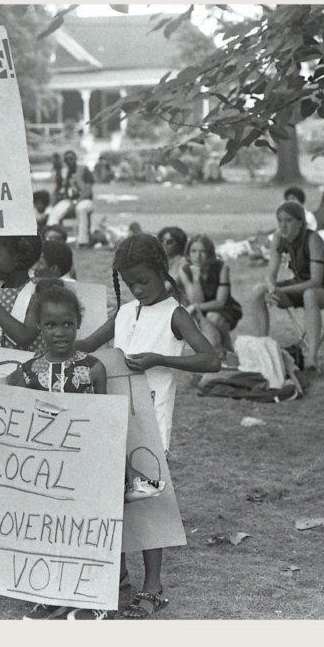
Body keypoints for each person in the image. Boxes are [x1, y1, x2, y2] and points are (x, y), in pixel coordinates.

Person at [75, 234, 220, 619]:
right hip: (113, 417)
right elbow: (87, 345)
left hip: (152, 422)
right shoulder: (125, 313)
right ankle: (117, 572)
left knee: (147, 502)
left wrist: (161, 359)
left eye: (144, 281)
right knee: (111, 494)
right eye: (130, 283)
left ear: (162, 271)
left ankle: (152, 584)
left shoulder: (175, 314)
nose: (138, 290)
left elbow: (211, 360)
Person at [3, 284, 107, 620]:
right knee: (49, 528)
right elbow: (4, 408)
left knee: (88, 528)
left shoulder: (93, 368)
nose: (59, 332)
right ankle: (51, 592)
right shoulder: (28, 372)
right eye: (50, 325)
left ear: (78, 323)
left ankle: (94, 596)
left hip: (86, 466)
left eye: (67, 324)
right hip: (45, 472)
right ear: (38, 326)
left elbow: (107, 420)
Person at [247, 201, 324, 375]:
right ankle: (262, 350)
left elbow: (315, 280)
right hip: (298, 285)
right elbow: (270, 275)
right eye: (280, 220)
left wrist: (280, 291)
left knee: (310, 294)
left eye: (289, 221)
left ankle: (312, 359)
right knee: (257, 291)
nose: (283, 225)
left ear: (300, 222)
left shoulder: (313, 239)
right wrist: (271, 289)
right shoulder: (278, 238)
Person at [179, 234, 243, 358]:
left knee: (213, 318)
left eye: (202, 251)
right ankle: (220, 351)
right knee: (212, 343)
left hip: (224, 310)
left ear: (209, 254)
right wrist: (196, 278)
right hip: (200, 312)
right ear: (188, 253)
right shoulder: (185, 270)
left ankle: (227, 344)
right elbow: (196, 299)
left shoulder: (221, 267)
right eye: (193, 251)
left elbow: (220, 302)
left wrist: (195, 307)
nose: (197, 256)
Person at [46, 151, 95, 247]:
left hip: (84, 200)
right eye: (67, 159)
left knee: (81, 209)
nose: (69, 161)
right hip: (68, 200)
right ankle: (51, 239)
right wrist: (52, 205)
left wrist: (76, 202)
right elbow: (57, 189)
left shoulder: (84, 170)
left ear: (76, 158)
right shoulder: (63, 172)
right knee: (55, 211)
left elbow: (88, 191)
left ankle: (83, 241)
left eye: (71, 158)